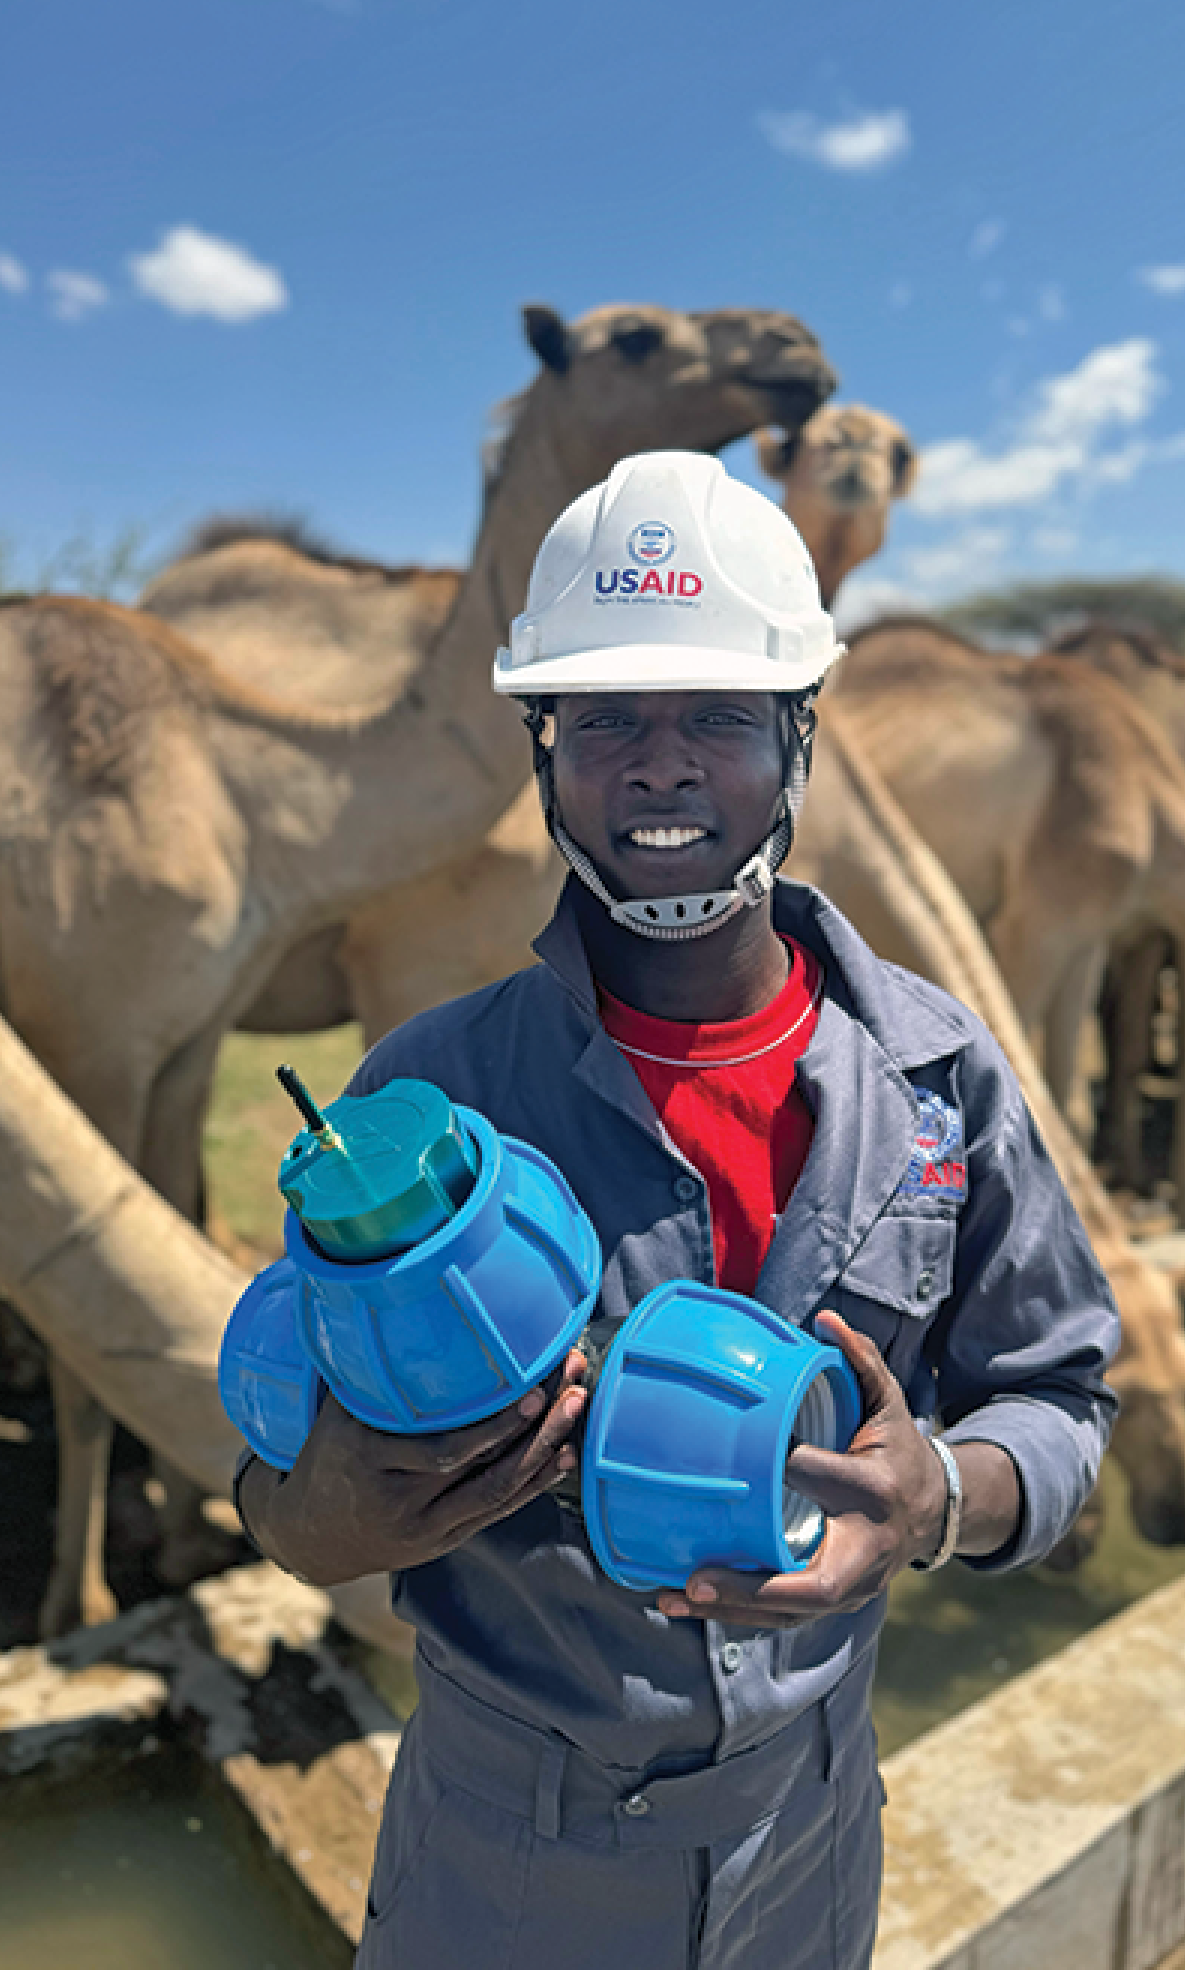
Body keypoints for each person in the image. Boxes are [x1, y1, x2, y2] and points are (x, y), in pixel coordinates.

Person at [236, 451, 1119, 1970]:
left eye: (717, 716)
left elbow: (1058, 1400)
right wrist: (325, 1520)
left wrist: (940, 1504)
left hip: (813, 1837)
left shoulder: (937, 1081)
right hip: (504, 1855)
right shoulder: (434, 1100)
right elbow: (284, 1486)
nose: (661, 765)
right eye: (606, 721)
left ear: (795, 739)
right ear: (544, 752)